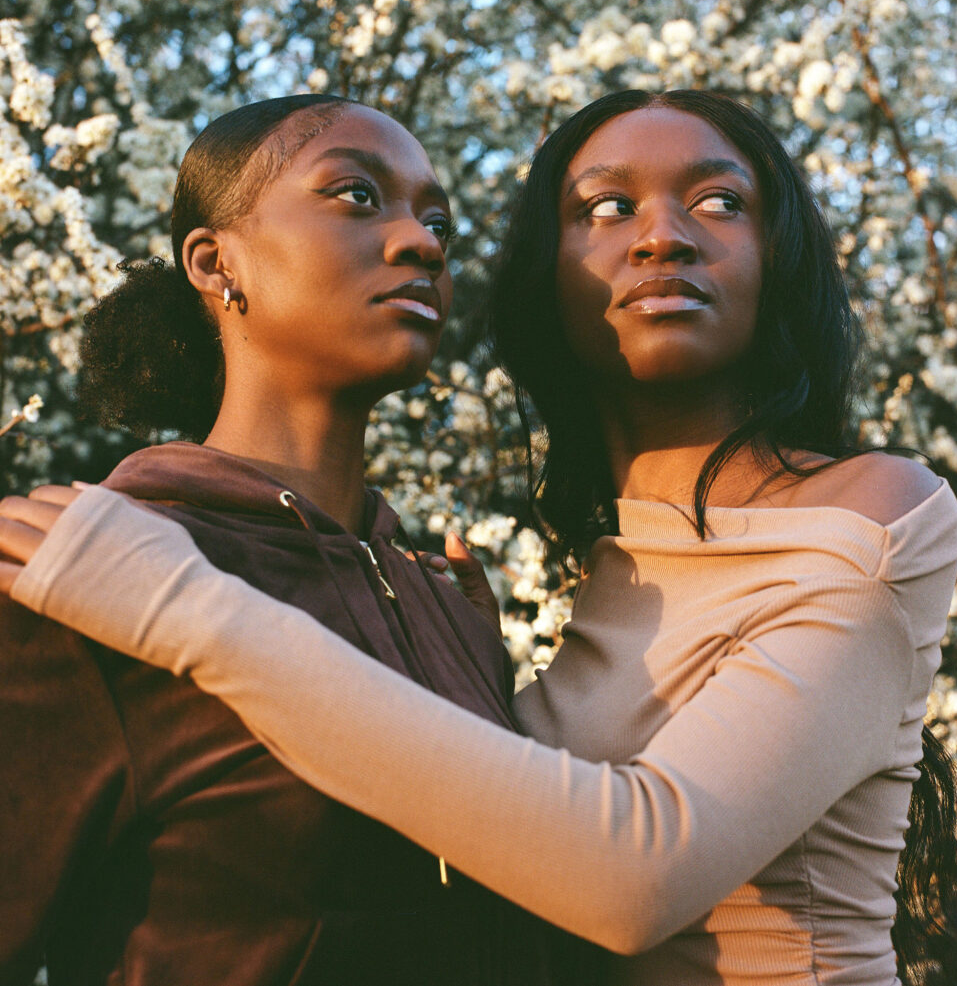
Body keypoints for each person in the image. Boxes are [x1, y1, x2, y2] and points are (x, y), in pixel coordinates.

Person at [0, 90, 957, 984]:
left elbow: (619, 872)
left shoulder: (868, 518)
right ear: (215, 262)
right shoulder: (90, 577)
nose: (663, 237)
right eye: (601, 209)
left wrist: (203, 615)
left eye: (720, 201)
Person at [0, 94, 582, 985]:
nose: (422, 242)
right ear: (215, 260)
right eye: (355, 194)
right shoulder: (81, 581)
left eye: (438, 222)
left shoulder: (451, 603)